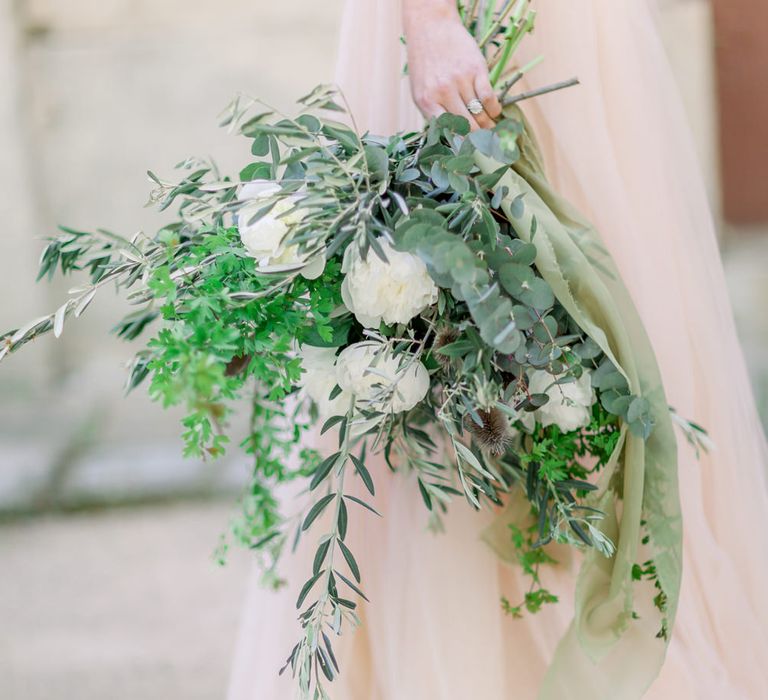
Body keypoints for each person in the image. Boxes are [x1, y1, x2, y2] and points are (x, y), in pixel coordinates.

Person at [228, 1, 768, 697]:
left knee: (612, 313)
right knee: (444, 319)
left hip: (585, 34)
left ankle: (626, 617)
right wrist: (428, 26)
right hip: (464, 23)